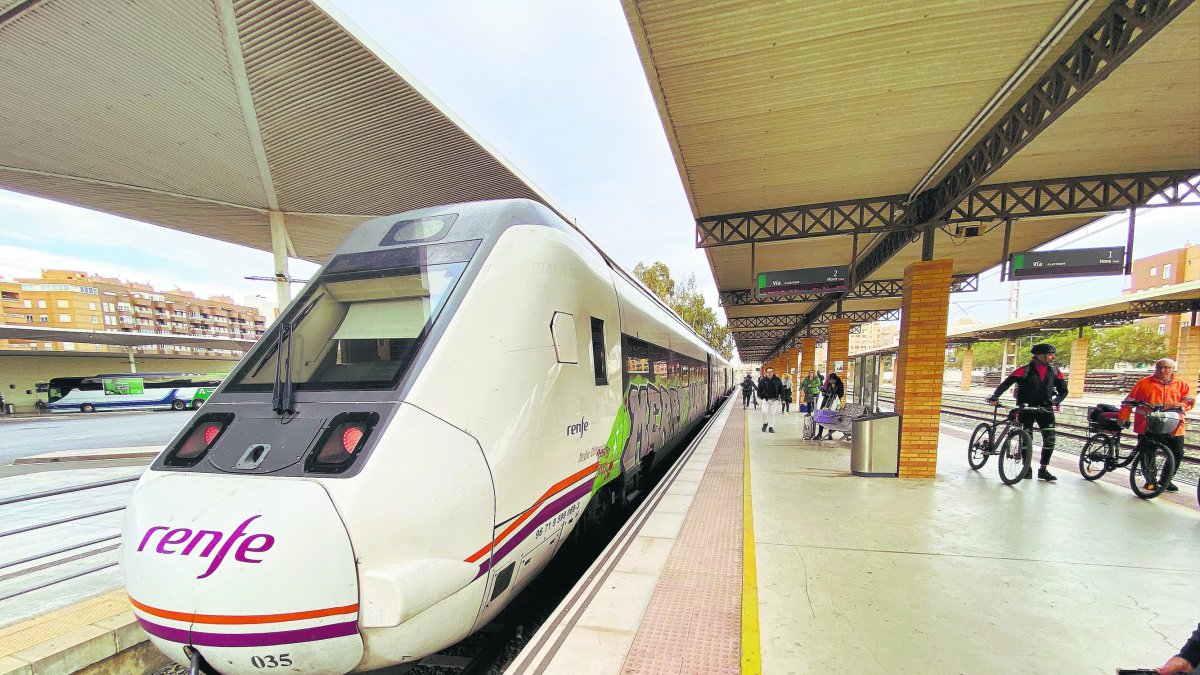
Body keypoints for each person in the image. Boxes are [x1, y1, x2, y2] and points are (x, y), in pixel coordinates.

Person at [985, 343, 1069, 481]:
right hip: (1026, 409)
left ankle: (1043, 469)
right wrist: (995, 396)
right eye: (1050, 354)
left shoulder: (1055, 371)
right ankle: (1026, 468)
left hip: (1045, 410)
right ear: (1039, 356)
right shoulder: (1024, 370)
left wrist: (1055, 402)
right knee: (1026, 438)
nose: (1053, 357)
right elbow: (1006, 383)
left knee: (1050, 440)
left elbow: (1064, 391)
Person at [1120, 357, 1195, 492]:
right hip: (1147, 424)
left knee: (1177, 452)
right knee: (1148, 453)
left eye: (1166, 367)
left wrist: (1183, 405)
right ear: (1155, 368)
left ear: (1173, 369)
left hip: (1173, 425)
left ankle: (1166, 480)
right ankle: (1151, 481)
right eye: (1160, 367)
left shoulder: (1181, 383)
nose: (1163, 370)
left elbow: (1189, 400)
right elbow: (1129, 401)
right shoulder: (1144, 383)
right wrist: (1123, 417)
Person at [817, 372, 845, 440]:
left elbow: (841, 394)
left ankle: (830, 434)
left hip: (834, 403)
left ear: (835, 379)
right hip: (826, 401)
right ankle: (820, 433)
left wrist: (835, 394)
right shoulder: (829, 383)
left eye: (831, 380)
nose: (830, 381)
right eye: (829, 380)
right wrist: (824, 392)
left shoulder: (840, 385)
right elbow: (825, 390)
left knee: (832, 418)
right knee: (822, 416)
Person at [757, 366, 784, 433]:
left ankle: (771, 427)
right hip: (765, 399)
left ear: (773, 372)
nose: (770, 373)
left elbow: (782, 389)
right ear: (766, 373)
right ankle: (765, 422)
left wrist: (783, 398)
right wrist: (761, 397)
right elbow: (759, 389)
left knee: (772, 414)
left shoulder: (777, 380)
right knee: (764, 412)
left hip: (774, 400)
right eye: (768, 372)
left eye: (771, 372)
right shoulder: (762, 380)